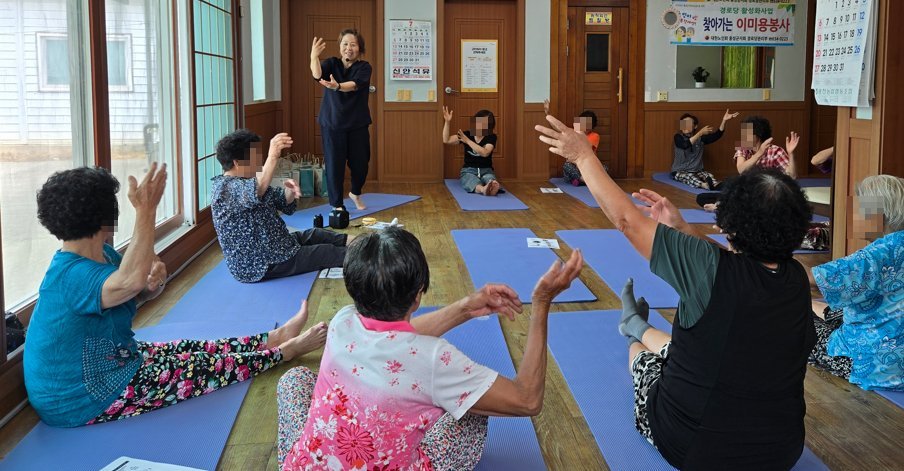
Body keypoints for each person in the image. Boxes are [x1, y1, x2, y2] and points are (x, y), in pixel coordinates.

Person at [536, 114, 816, 469]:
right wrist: (682, 228)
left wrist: (583, 157)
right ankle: (636, 324)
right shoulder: (795, 278)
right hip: (781, 451)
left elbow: (627, 221)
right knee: (687, 351)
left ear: (730, 223)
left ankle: (632, 331)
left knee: (644, 358)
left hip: (695, 447)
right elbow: (732, 262)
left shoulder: (710, 269)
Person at [24, 165, 327, 428]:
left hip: (115, 359)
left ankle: (274, 338)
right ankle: (284, 352)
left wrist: (151, 286)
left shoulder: (102, 254)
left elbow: (133, 293)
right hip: (82, 396)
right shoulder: (70, 275)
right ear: (105, 214)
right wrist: (146, 211)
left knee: (190, 348)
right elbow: (129, 282)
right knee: (200, 368)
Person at [276, 227, 583, 470]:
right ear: (418, 295)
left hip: (307, 465)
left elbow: (394, 342)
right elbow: (527, 400)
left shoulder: (343, 320)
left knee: (295, 379)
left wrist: (466, 308)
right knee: (471, 408)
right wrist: (542, 303)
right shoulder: (435, 359)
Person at [211, 129, 349, 283]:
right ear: (237, 162)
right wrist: (273, 156)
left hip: (276, 244)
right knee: (326, 252)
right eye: (255, 158)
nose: (259, 162)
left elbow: (282, 200)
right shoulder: (225, 188)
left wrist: (290, 191)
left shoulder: (247, 182)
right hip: (260, 262)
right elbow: (258, 190)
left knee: (317, 234)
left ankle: (363, 243)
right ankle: (367, 256)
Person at [808, 175, 903, 391]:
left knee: (792, 321)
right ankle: (814, 307)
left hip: (877, 366)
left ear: (878, 215)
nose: (854, 215)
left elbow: (811, 280)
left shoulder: (877, 254)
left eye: (860, 209)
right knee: (835, 309)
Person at [310, 29, 372, 211]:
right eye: (345, 44)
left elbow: (353, 85)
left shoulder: (364, 67)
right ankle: (337, 204)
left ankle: (355, 192)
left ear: (360, 48)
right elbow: (317, 75)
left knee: (361, 163)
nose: (348, 48)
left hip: (357, 123)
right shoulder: (332, 63)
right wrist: (314, 57)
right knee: (334, 165)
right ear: (340, 47)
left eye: (353, 44)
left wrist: (337, 86)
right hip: (332, 123)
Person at [670, 109, 738, 190]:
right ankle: (704, 185)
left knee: (709, 176)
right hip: (680, 171)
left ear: (695, 126)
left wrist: (724, 121)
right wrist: (700, 133)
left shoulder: (701, 139)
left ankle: (717, 185)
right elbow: (685, 145)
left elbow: (717, 135)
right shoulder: (678, 137)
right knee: (689, 177)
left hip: (697, 170)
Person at [442, 106, 502, 196]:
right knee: (470, 180)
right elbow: (446, 140)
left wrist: (467, 140)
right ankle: (483, 189)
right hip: (469, 170)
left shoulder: (491, 137)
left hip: (486, 170)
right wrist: (447, 122)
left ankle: (492, 186)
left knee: (490, 178)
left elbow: (485, 153)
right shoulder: (467, 134)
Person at [544, 99, 603, 185]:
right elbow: (558, 128)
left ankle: (581, 181)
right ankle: (582, 180)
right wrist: (548, 114)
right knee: (567, 166)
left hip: (587, 167)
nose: (584, 127)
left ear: (592, 126)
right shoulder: (574, 133)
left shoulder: (595, 136)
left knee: (604, 168)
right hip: (574, 168)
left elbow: (586, 150)